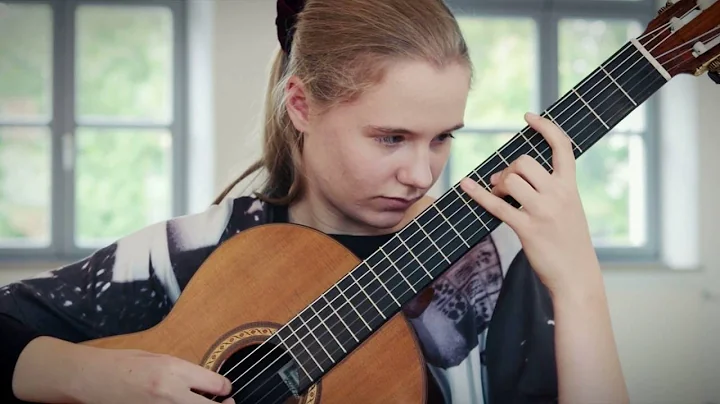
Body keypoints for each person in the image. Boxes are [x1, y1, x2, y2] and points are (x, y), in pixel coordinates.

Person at [0, 0, 629, 403]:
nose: (421, 173)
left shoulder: (492, 261)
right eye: (390, 137)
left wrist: (579, 283)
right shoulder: (191, 252)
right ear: (301, 105)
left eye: (442, 138)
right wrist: (91, 378)